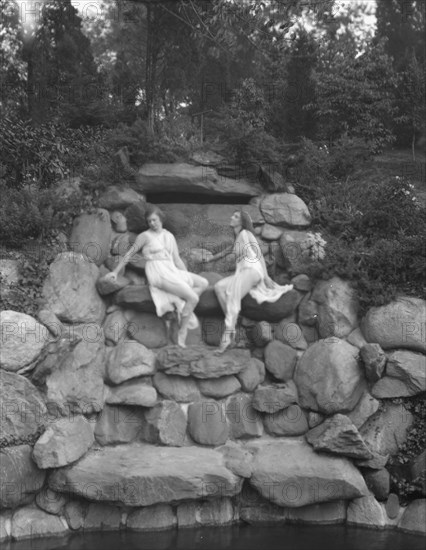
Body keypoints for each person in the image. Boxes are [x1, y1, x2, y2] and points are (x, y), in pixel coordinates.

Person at [106, 205, 208, 347]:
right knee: (193, 297)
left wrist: (186, 275)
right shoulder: (144, 236)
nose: (152, 223)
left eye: (154, 220)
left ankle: (182, 308)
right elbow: (129, 254)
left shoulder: (169, 236)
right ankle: (182, 331)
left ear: (161, 219)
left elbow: (177, 259)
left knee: (203, 283)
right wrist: (115, 272)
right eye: (149, 221)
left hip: (171, 269)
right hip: (157, 272)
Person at [204, 210, 293, 353]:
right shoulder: (238, 237)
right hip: (243, 272)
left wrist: (266, 276)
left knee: (233, 295)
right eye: (233, 215)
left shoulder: (247, 234)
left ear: (242, 221)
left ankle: (227, 339)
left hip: (252, 270)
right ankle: (234, 325)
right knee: (219, 287)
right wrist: (211, 258)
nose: (231, 217)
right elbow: (228, 251)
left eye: (236, 216)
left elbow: (258, 255)